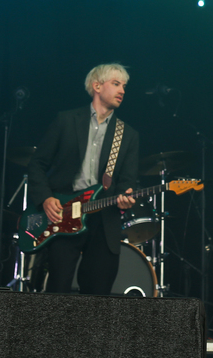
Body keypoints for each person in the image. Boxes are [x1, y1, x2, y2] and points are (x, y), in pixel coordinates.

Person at [27, 63, 139, 294]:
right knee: (58, 290)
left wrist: (127, 195)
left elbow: (128, 180)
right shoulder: (66, 120)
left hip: (103, 217)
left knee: (97, 295)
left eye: (124, 86)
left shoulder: (127, 134)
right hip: (64, 214)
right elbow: (37, 164)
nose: (123, 91)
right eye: (116, 84)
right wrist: (46, 198)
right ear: (97, 86)